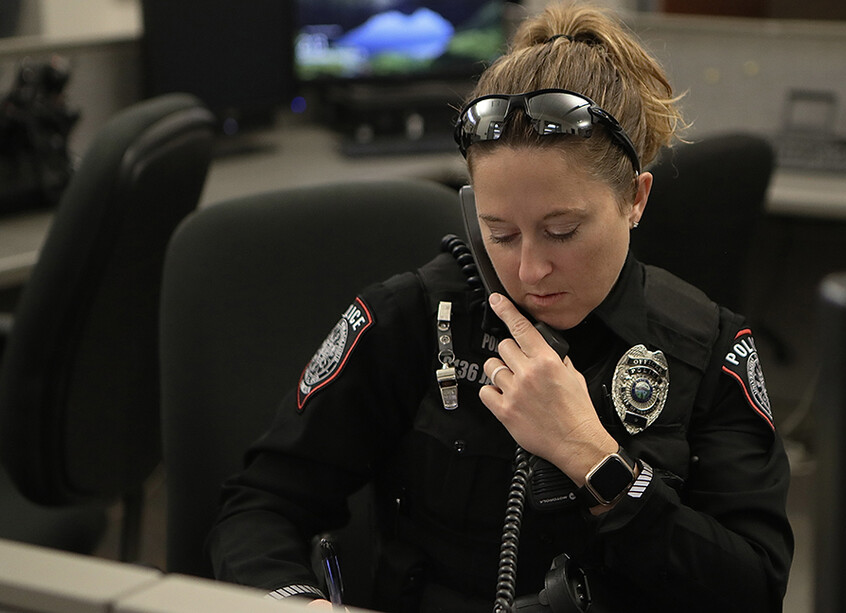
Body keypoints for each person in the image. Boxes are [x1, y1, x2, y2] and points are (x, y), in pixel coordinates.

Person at [208, 3, 793, 611]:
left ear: (635, 199)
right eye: (500, 232)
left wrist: (591, 456)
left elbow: (754, 586)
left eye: (562, 231)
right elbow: (260, 505)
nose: (530, 270)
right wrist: (294, 600)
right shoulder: (412, 318)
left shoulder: (710, 349)